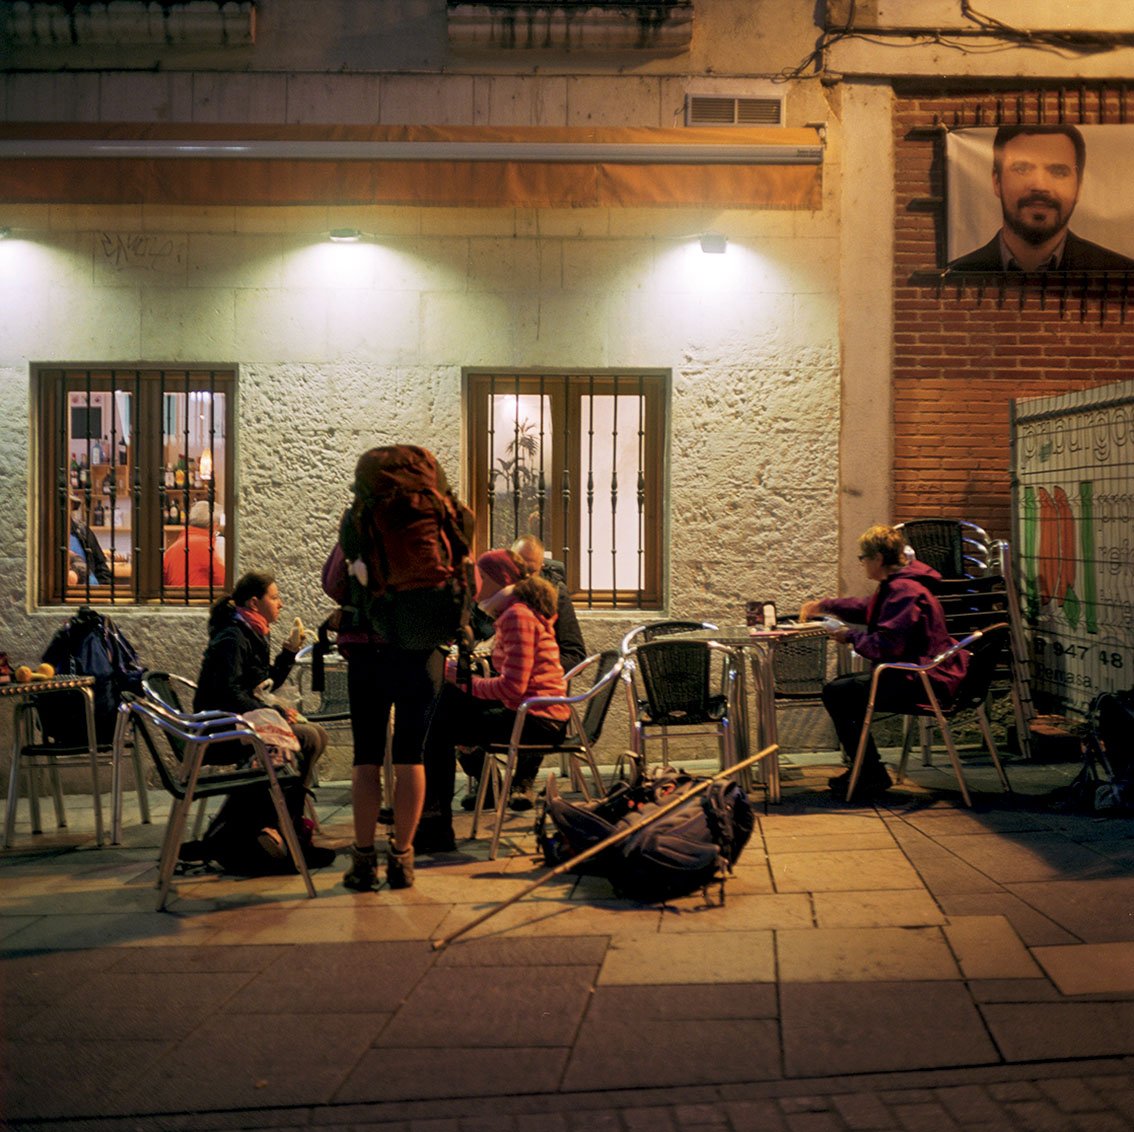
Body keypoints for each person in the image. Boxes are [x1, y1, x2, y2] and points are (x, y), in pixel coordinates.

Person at [322, 445, 473, 892]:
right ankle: (403, 859)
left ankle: (364, 859)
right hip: (424, 651)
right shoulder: (446, 518)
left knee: (366, 757)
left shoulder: (359, 520)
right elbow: (471, 583)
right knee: (412, 755)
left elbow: (334, 582)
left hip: (368, 652)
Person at [415, 548, 570, 853]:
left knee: (440, 726)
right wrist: (464, 682)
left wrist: (461, 680)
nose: (474, 585)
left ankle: (434, 823)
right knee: (445, 713)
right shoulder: (516, 611)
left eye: (480, 577)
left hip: (539, 720)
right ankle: (433, 819)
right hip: (536, 713)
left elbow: (512, 688)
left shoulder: (516, 615)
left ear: (498, 579)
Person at [800, 525, 969, 800]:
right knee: (843, 689)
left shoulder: (903, 591)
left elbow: (887, 646)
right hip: (924, 673)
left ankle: (869, 773)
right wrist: (826, 604)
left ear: (878, 558)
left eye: (863, 558)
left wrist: (850, 636)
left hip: (921, 680)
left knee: (837, 693)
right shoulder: (902, 585)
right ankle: (867, 770)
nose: (862, 564)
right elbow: (870, 609)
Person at [193, 571, 328, 792]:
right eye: (274, 598)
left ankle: (287, 814)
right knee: (308, 737)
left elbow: (264, 684)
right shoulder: (233, 637)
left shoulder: (254, 632)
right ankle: (277, 815)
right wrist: (274, 713)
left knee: (318, 734)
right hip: (221, 730)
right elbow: (229, 692)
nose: (281, 604)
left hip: (241, 721)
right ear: (254, 603)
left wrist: (289, 653)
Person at [949, 124, 1134, 273]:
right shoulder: (955, 274)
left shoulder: (1120, 272)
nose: (1040, 186)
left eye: (1058, 172)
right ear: (996, 181)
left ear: (1079, 187)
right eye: (1022, 169)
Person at [511, 535, 587, 673]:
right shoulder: (495, 585)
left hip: (538, 684)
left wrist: (535, 667)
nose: (524, 576)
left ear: (541, 567)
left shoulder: (556, 593)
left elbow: (575, 655)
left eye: (531, 571)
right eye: (519, 567)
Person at [162, 499, 225, 588]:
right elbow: (224, 579)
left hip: (175, 600)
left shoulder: (174, 547)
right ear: (214, 525)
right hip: (200, 599)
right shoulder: (205, 546)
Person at [68, 495, 111, 585]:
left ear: (72, 505)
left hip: (91, 594)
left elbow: (101, 568)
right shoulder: (46, 535)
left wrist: (102, 594)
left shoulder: (83, 530)